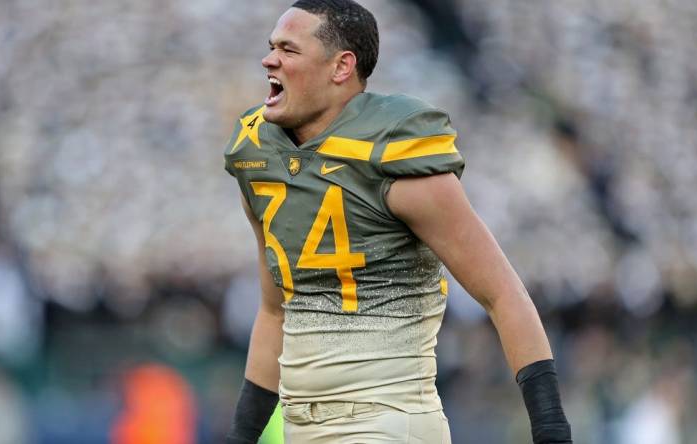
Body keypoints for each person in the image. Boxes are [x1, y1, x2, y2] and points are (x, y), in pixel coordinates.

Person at [223, 1, 572, 442]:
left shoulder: (393, 153)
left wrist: (550, 427)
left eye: (289, 50)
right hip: (301, 427)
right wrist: (242, 434)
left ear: (341, 67)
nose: (269, 59)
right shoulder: (258, 156)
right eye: (271, 46)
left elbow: (502, 294)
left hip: (386, 418)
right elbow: (275, 312)